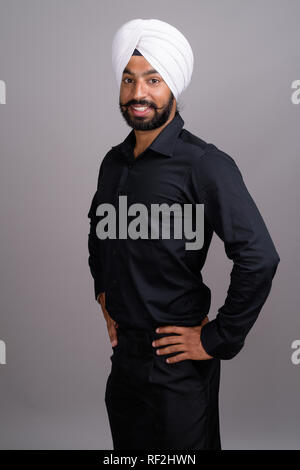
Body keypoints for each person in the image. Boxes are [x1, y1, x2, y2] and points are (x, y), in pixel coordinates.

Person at [87, 18, 280, 450]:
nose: (139, 94)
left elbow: (260, 257)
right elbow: (99, 233)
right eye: (129, 79)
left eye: (153, 80)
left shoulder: (204, 163)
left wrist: (217, 338)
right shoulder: (113, 162)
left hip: (177, 361)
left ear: (173, 86)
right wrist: (103, 291)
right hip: (125, 360)